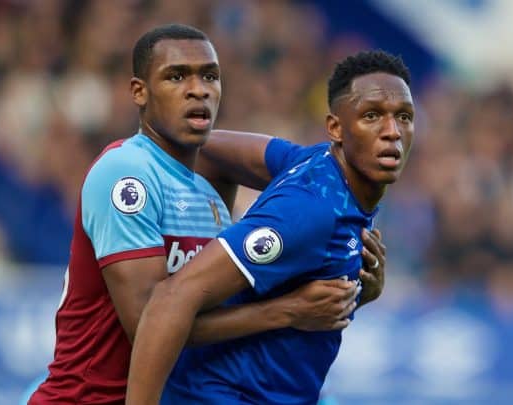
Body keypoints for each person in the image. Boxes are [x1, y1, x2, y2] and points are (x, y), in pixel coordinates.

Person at [28, 24, 386, 404]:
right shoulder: (127, 174)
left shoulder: (208, 183)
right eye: (176, 76)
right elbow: (148, 320)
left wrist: (355, 283)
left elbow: (311, 170)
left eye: (210, 76)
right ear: (140, 92)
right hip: (85, 398)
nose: (198, 89)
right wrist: (287, 311)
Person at [127, 49, 414, 405]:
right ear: (336, 128)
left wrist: (358, 290)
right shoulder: (309, 211)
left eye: (404, 116)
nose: (392, 132)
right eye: (372, 116)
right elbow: (169, 302)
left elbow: (208, 148)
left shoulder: (318, 165)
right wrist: (206, 244)